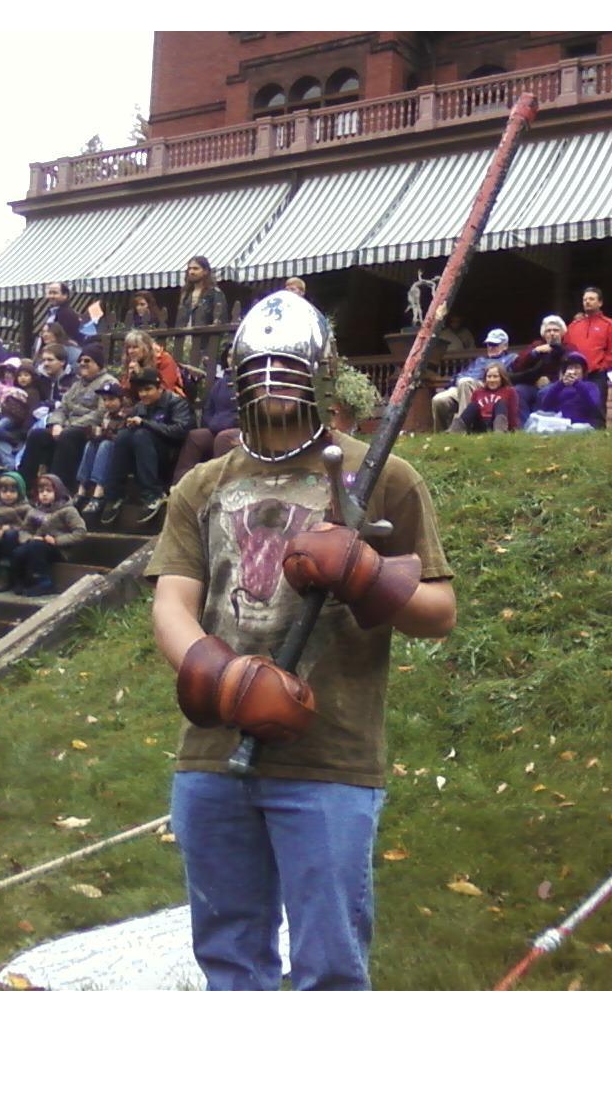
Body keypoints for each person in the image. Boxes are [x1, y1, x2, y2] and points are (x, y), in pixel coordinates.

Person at [147, 289, 455, 991]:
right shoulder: (201, 485)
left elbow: (439, 612)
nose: (275, 388)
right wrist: (222, 679)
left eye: (290, 371)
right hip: (213, 754)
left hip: (330, 758)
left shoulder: (383, 478)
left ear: (322, 379)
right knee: (230, 960)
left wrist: (369, 577)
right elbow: (172, 602)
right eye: (261, 372)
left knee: (329, 968)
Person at [96, 367, 195, 528]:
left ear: (160, 388)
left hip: (171, 455)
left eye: (148, 389)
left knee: (141, 434)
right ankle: (114, 494)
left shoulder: (177, 403)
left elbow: (180, 431)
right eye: (140, 391)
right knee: (123, 436)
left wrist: (145, 424)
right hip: (142, 456)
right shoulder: (140, 407)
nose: (143, 394)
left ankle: (153, 494)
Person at [18, 345, 113, 491]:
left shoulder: (107, 383)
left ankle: (58, 489)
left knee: (68, 435)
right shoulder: (77, 384)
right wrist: (56, 424)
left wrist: (69, 426)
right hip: (66, 427)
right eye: (80, 360)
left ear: (98, 364)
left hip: (87, 429)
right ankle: (23, 486)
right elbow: (62, 408)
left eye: (87, 360)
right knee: (37, 435)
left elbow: (100, 413)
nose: (82, 363)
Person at [170, 348, 239, 486]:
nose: (231, 359)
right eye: (229, 356)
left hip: (240, 431)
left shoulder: (248, 380)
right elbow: (208, 408)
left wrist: (224, 425)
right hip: (217, 428)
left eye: (236, 356)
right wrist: (211, 424)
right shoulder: (220, 383)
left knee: (223, 438)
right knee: (196, 436)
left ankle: (217, 489)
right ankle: (179, 487)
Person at [13, 474, 87, 596]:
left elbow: (80, 532)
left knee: (36, 547)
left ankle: (44, 582)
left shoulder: (67, 510)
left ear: (58, 491)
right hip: (37, 544)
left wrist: (56, 540)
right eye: (41, 491)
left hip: (59, 549)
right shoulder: (35, 511)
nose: (44, 494)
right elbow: (24, 530)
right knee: (18, 552)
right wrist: (29, 538)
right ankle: (21, 581)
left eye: (49, 491)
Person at [431, 328, 516, 431]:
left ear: (505, 346)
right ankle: (442, 435)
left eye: (495, 344)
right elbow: (461, 374)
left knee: (466, 382)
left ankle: (463, 429)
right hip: (462, 386)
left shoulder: (511, 358)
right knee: (439, 400)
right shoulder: (480, 360)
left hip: (484, 387)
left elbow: (514, 375)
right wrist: (456, 381)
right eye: (489, 344)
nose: (491, 347)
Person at [73, 380, 131, 518]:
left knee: (106, 445)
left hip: (121, 454)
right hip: (104, 450)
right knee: (90, 444)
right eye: (105, 400)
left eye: (111, 399)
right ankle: (81, 489)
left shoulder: (127, 414)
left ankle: (98, 493)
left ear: (121, 399)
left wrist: (103, 434)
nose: (107, 403)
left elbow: (122, 437)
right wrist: (94, 433)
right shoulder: (106, 415)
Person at [563, 287, 612, 402]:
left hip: (597, 374)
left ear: (600, 303)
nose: (587, 302)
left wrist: (601, 367)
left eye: (591, 299)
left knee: (596, 410)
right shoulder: (573, 326)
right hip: (574, 373)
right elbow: (566, 349)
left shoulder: (609, 325)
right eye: (585, 300)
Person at [510, 316, 568, 421]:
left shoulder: (568, 347)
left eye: (556, 330)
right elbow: (517, 366)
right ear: (543, 334)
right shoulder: (537, 345)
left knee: (545, 391)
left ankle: (539, 424)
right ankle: (525, 426)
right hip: (533, 384)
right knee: (518, 391)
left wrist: (551, 381)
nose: (552, 333)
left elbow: (573, 367)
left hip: (557, 385)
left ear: (562, 333)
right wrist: (535, 352)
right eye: (548, 331)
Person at [530, 351, 601, 429]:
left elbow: (593, 405)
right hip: (559, 422)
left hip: (582, 424)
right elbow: (546, 406)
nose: (573, 371)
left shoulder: (590, 386)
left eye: (577, 368)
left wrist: (577, 384)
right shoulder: (559, 386)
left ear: (583, 371)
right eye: (570, 368)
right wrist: (560, 384)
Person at [449, 363, 520, 432]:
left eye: (495, 376)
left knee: (501, 403)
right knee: (473, 405)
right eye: (489, 376)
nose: (492, 380)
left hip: (498, 423)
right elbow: (472, 413)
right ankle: (455, 431)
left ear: (502, 378)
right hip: (480, 424)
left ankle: (500, 433)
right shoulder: (478, 392)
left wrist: (513, 429)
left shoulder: (510, 391)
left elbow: (512, 414)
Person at [121, 329, 185, 398]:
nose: (130, 351)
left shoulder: (164, 359)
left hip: (168, 403)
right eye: (128, 348)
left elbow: (165, 390)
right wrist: (131, 379)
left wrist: (141, 375)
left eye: (135, 347)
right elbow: (126, 395)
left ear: (146, 347)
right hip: (142, 403)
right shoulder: (130, 362)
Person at [176, 256, 228, 328]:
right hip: (184, 337)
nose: (191, 272)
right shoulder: (186, 294)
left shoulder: (215, 293)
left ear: (205, 271)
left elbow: (221, 320)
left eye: (195, 268)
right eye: (189, 269)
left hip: (205, 337)